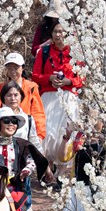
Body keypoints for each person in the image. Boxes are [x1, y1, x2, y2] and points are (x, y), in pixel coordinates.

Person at [0, 107, 51, 211]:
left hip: (14, 188)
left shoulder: (21, 144)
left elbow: (31, 160)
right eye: (6, 121)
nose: (11, 124)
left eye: (14, 121)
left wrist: (27, 170)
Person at [32, 21, 84, 166]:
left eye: (61, 32)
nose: (58, 35)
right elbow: (35, 76)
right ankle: (46, 166)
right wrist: (49, 78)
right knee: (47, 132)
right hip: (49, 96)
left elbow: (81, 79)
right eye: (55, 31)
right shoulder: (44, 52)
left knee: (66, 132)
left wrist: (68, 81)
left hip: (68, 97)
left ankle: (63, 167)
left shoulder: (76, 54)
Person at [0, 53, 46, 140]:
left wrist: (40, 135)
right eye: (9, 68)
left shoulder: (31, 87)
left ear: (23, 68)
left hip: (23, 132)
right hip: (4, 131)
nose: (12, 71)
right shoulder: (2, 87)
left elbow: (38, 113)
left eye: (16, 68)